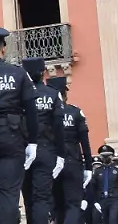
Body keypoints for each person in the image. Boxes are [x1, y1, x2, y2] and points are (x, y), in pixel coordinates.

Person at [0, 27, 39, 224]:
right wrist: (33, 142)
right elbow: (31, 110)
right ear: (3, 48)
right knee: (9, 191)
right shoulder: (18, 74)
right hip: (12, 136)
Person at [20, 58, 66, 224]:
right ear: (42, 73)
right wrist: (61, 154)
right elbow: (59, 127)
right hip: (46, 150)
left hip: (23, 150)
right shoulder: (53, 94)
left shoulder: (20, 94)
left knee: (28, 197)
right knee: (41, 198)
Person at [50, 76, 92, 224]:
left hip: (52, 162)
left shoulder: (47, 114)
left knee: (57, 205)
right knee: (73, 204)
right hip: (73, 162)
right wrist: (89, 167)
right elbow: (85, 143)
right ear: (64, 94)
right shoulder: (75, 113)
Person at [93, 145, 118, 224]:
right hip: (102, 199)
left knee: (113, 220)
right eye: (103, 156)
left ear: (112, 156)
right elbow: (94, 187)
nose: (105, 158)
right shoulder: (98, 171)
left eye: (108, 156)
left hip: (114, 199)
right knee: (103, 221)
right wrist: (95, 201)